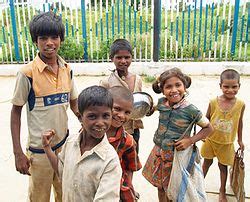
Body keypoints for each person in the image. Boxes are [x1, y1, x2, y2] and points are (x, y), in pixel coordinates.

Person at [10, 11, 79, 202]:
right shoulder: (27, 74)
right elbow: (15, 113)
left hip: (64, 148)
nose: (50, 43)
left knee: (65, 194)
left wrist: (86, 121)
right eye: (43, 38)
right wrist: (18, 153)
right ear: (35, 41)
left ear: (61, 39)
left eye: (54, 37)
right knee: (39, 198)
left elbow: (74, 102)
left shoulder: (67, 69)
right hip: (39, 153)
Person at [142, 68, 213, 202]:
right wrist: (147, 110)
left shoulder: (191, 110)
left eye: (178, 85)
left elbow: (209, 128)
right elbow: (153, 109)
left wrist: (190, 140)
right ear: (162, 90)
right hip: (158, 152)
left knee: (173, 189)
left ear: (185, 87)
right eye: (168, 87)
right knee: (160, 187)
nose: (174, 90)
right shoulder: (162, 102)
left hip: (175, 156)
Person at [42, 86, 122, 201]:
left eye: (105, 116)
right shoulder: (70, 143)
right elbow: (62, 172)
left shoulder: (110, 161)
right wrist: (47, 147)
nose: (100, 123)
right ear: (80, 117)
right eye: (92, 116)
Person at [201, 69, 245, 202]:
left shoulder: (240, 104)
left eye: (234, 87)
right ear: (220, 86)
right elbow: (206, 118)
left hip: (226, 143)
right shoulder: (213, 102)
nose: (230, 90)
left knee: (223, 167)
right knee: (206, 163)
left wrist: (240, 140)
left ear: (239, 86)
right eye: (226, 86)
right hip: (210, 140)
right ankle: (199, 186)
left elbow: (240, 122)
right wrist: (203, 134)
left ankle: (222, 191)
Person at [100, 38, 143, 153]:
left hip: (133, 129)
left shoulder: (137, 79)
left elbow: (139, 102)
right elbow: (101, 107)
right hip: (113, 131)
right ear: (111, 58)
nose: (123, 61)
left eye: (127, 57)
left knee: (131, 159)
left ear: (131, 58)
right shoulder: (107, 82)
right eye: (119, 57)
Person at [107, 86, 142, 202]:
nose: (122, 116)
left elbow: (130, 167)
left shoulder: (128, 141)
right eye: (117, 109)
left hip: (116, 188)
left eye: (127, 112)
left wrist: (127, 186)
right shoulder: (90, 134)